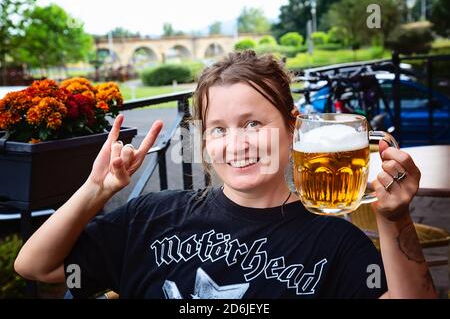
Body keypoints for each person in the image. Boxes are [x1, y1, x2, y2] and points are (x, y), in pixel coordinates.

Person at [15, 50, 437, 299]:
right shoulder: (150, 218)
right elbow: (35, 266)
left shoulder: (335, 244)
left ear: (294, 128)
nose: (237, 144)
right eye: (219, 129)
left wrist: (393, 217)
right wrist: (94, 190)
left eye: (254, 123)